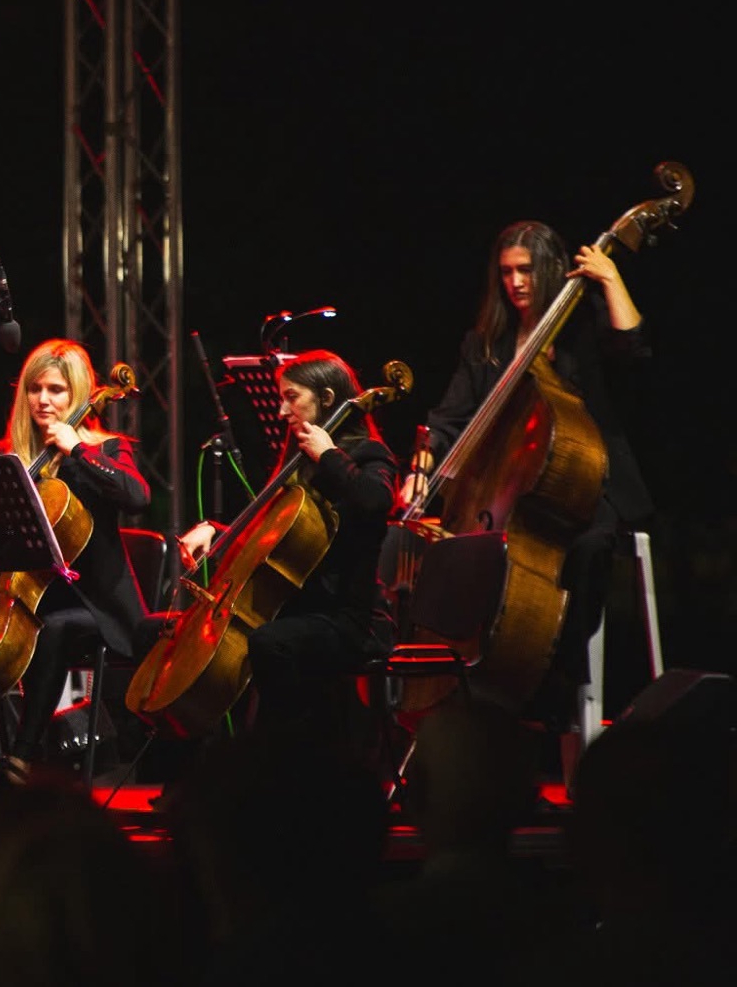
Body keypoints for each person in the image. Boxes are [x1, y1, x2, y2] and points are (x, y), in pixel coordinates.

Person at [401, 220, 652, 735]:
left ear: (551, 269)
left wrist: (610, 278)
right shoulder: (486, 343)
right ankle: (458, 696)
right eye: (506, 272)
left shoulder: (582, 326)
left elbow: (633, 354)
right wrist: (423, 467)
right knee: (460, 555)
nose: (515, 282)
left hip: (583, 482)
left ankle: (558, 680)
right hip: (508, 490)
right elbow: (449, 419)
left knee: (586, 548)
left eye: (526, 270)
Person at [181, 350, 398, 739]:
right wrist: (217, 530)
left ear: (327, 398)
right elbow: (271, 533)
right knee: (172, 635)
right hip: (296, 611)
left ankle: (294, 756)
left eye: (291, 397)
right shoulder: (297, 460)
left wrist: (329, 454)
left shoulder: (367, 453)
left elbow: (376, 500)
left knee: (269, 644)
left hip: (349, 619)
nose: (282, 411)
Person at [0, 339, 152, 779]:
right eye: (35, 388)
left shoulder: (107, 448)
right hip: (30, 597)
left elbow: (137, 497)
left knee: (52, 630)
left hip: (96, 604)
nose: (43, 399)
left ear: (78, 392)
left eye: (56, 389)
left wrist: (77, 451)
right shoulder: (11, 454)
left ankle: (23, 756)